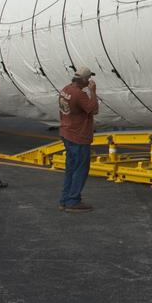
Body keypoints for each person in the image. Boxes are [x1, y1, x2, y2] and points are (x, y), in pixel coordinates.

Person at [58, 67, 100, 212]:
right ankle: (73, 200)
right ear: (83, 80)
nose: (89, 81)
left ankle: (65, 199)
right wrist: (92, 92)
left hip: (66, 132)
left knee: (71, 168)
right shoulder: (79, 94)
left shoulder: (66, 89)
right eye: (88, 79)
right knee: (81, 169)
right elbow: (94, 109)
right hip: (78, 136)